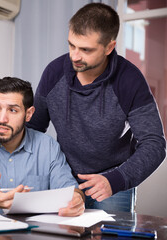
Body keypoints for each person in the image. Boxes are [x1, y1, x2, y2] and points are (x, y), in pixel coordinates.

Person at [27, 3, 166, 212]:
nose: (74, 56)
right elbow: (33, 130)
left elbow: (155, 144)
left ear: (109, 47)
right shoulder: (54, 73)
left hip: (113, 185)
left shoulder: (130, 80)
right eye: (71, 45)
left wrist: (116, 179)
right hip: (63, 181)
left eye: (85, 49)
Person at [0, 77, 85, 217]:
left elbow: (70, 189)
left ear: (28, 114)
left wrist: (77, 199)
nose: (1, 119)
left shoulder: (47, 146)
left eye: (12, 110)